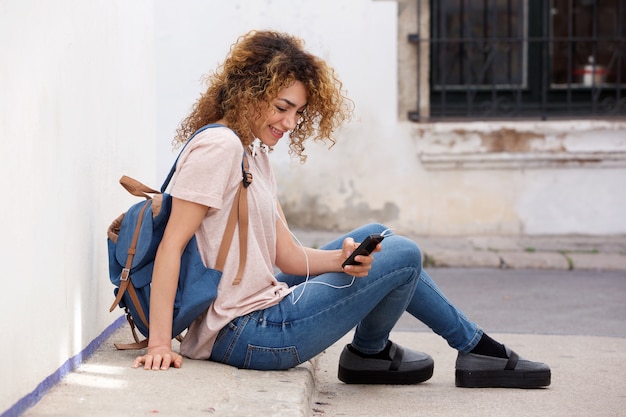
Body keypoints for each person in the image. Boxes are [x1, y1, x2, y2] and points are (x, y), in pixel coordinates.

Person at [133, 30, 551, 389]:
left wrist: (343, 259)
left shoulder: (252, 151)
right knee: (404, 254)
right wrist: (159, 344)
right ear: (248, 94)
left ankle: (374, 354)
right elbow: (172, 245)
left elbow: (287, 257)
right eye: (282, 107)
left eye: (298, 112)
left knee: (380, 237)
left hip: (257, 310)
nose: (291, 122)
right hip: (245, 333)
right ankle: (454, 349)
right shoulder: (218, 147)